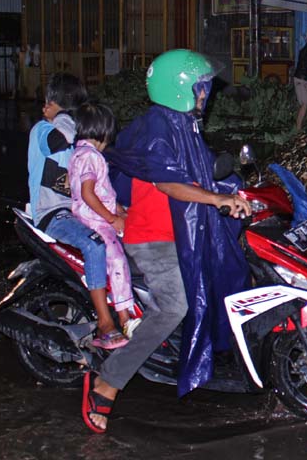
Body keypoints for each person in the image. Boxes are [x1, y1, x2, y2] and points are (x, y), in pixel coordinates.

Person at [81, 50, 251, 434]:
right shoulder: (158, 128)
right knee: (175, 307)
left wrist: (235, 191)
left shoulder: (182, 124)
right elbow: (168, 183)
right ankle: (108, 381)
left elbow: (203, 171)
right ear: (181, 89)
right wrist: (217, 199)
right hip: (152, 239)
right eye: (201, 88)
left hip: (180, 234)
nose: (206, 95)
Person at [27, 74, 114, 345]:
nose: (44, 107)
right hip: (53, 214)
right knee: (94, 245)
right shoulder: (44, 130)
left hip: (76, 212)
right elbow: (56, 142)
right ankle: (105, 322)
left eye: (48, 102)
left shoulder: (78, 139)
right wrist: (63, 113)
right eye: (46, 103)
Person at [69, 102, 138, 348]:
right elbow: (88, 193)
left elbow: (101, 190)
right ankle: (125, 317)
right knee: (118, 259)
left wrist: (119, 208)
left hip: (93, 216)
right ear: (104, 132)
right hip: (96, 221)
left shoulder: (79, 153)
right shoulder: (91, 156)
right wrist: (111, 218)